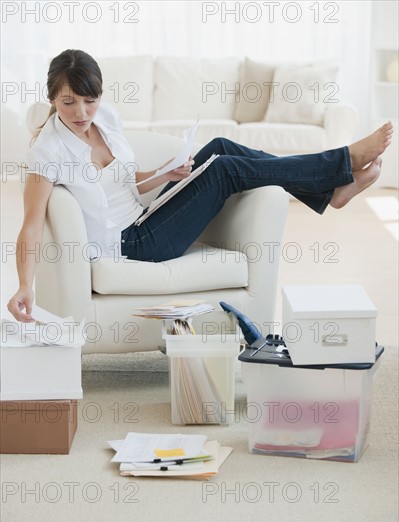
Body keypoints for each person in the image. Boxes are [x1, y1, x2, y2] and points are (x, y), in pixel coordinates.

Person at [7, 49, 393, 323]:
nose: (81, 113)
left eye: (89, 101)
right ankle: (340, 165)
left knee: (221, 147)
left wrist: (164, 173)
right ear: (52, 98)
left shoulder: (105, 117)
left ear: (100, 96)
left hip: (146, 214)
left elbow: (125, 180)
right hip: (132, 244)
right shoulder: (48, 151)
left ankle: (328, 191)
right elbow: (31, 226)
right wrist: (25, 285)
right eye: (68, 102)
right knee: (224, 169)